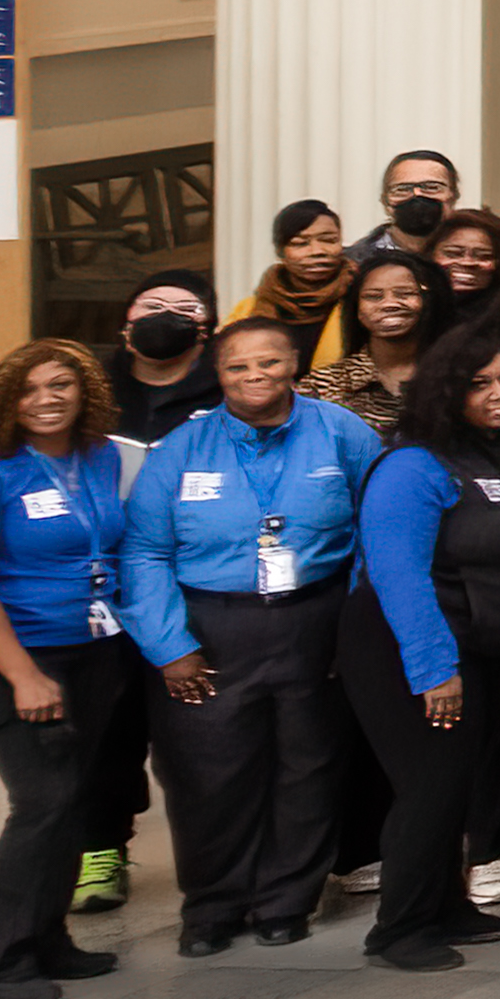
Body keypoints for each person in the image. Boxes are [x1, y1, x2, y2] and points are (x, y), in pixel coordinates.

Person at [121, 311, 379, 959]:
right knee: (207, 774)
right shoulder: (183, 446)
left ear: (293, 362)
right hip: (210, 626)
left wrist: (353, 628)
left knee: (309, 765)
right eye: (238, 365)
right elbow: (145, 551)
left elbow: (376, 536)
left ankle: (286, 900)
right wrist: (170, 646)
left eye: (267, 361)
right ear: (218, 373)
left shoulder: (342, 431)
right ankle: (211, 905)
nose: (254, 375)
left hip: (314, 618)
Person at [339, 324, 500, 972]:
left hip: (487, 647)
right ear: (447, 390)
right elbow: (398, 575)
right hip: (409, 646)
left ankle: (446, 905)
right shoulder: (412, 463)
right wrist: (435, 671)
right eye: (481, 382)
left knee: (460, 783)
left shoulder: (494, 455)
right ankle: (400, 927)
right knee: (430, 787)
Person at [0, 338, 148, 999]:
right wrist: (24, 674)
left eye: (62, 384)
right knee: (42, 800)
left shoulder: (101, 456)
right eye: (30, 388)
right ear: (6, 401)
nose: (47, 398)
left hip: (93, 649)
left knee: (74, 799)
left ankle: (47, 939)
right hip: (14, 656)